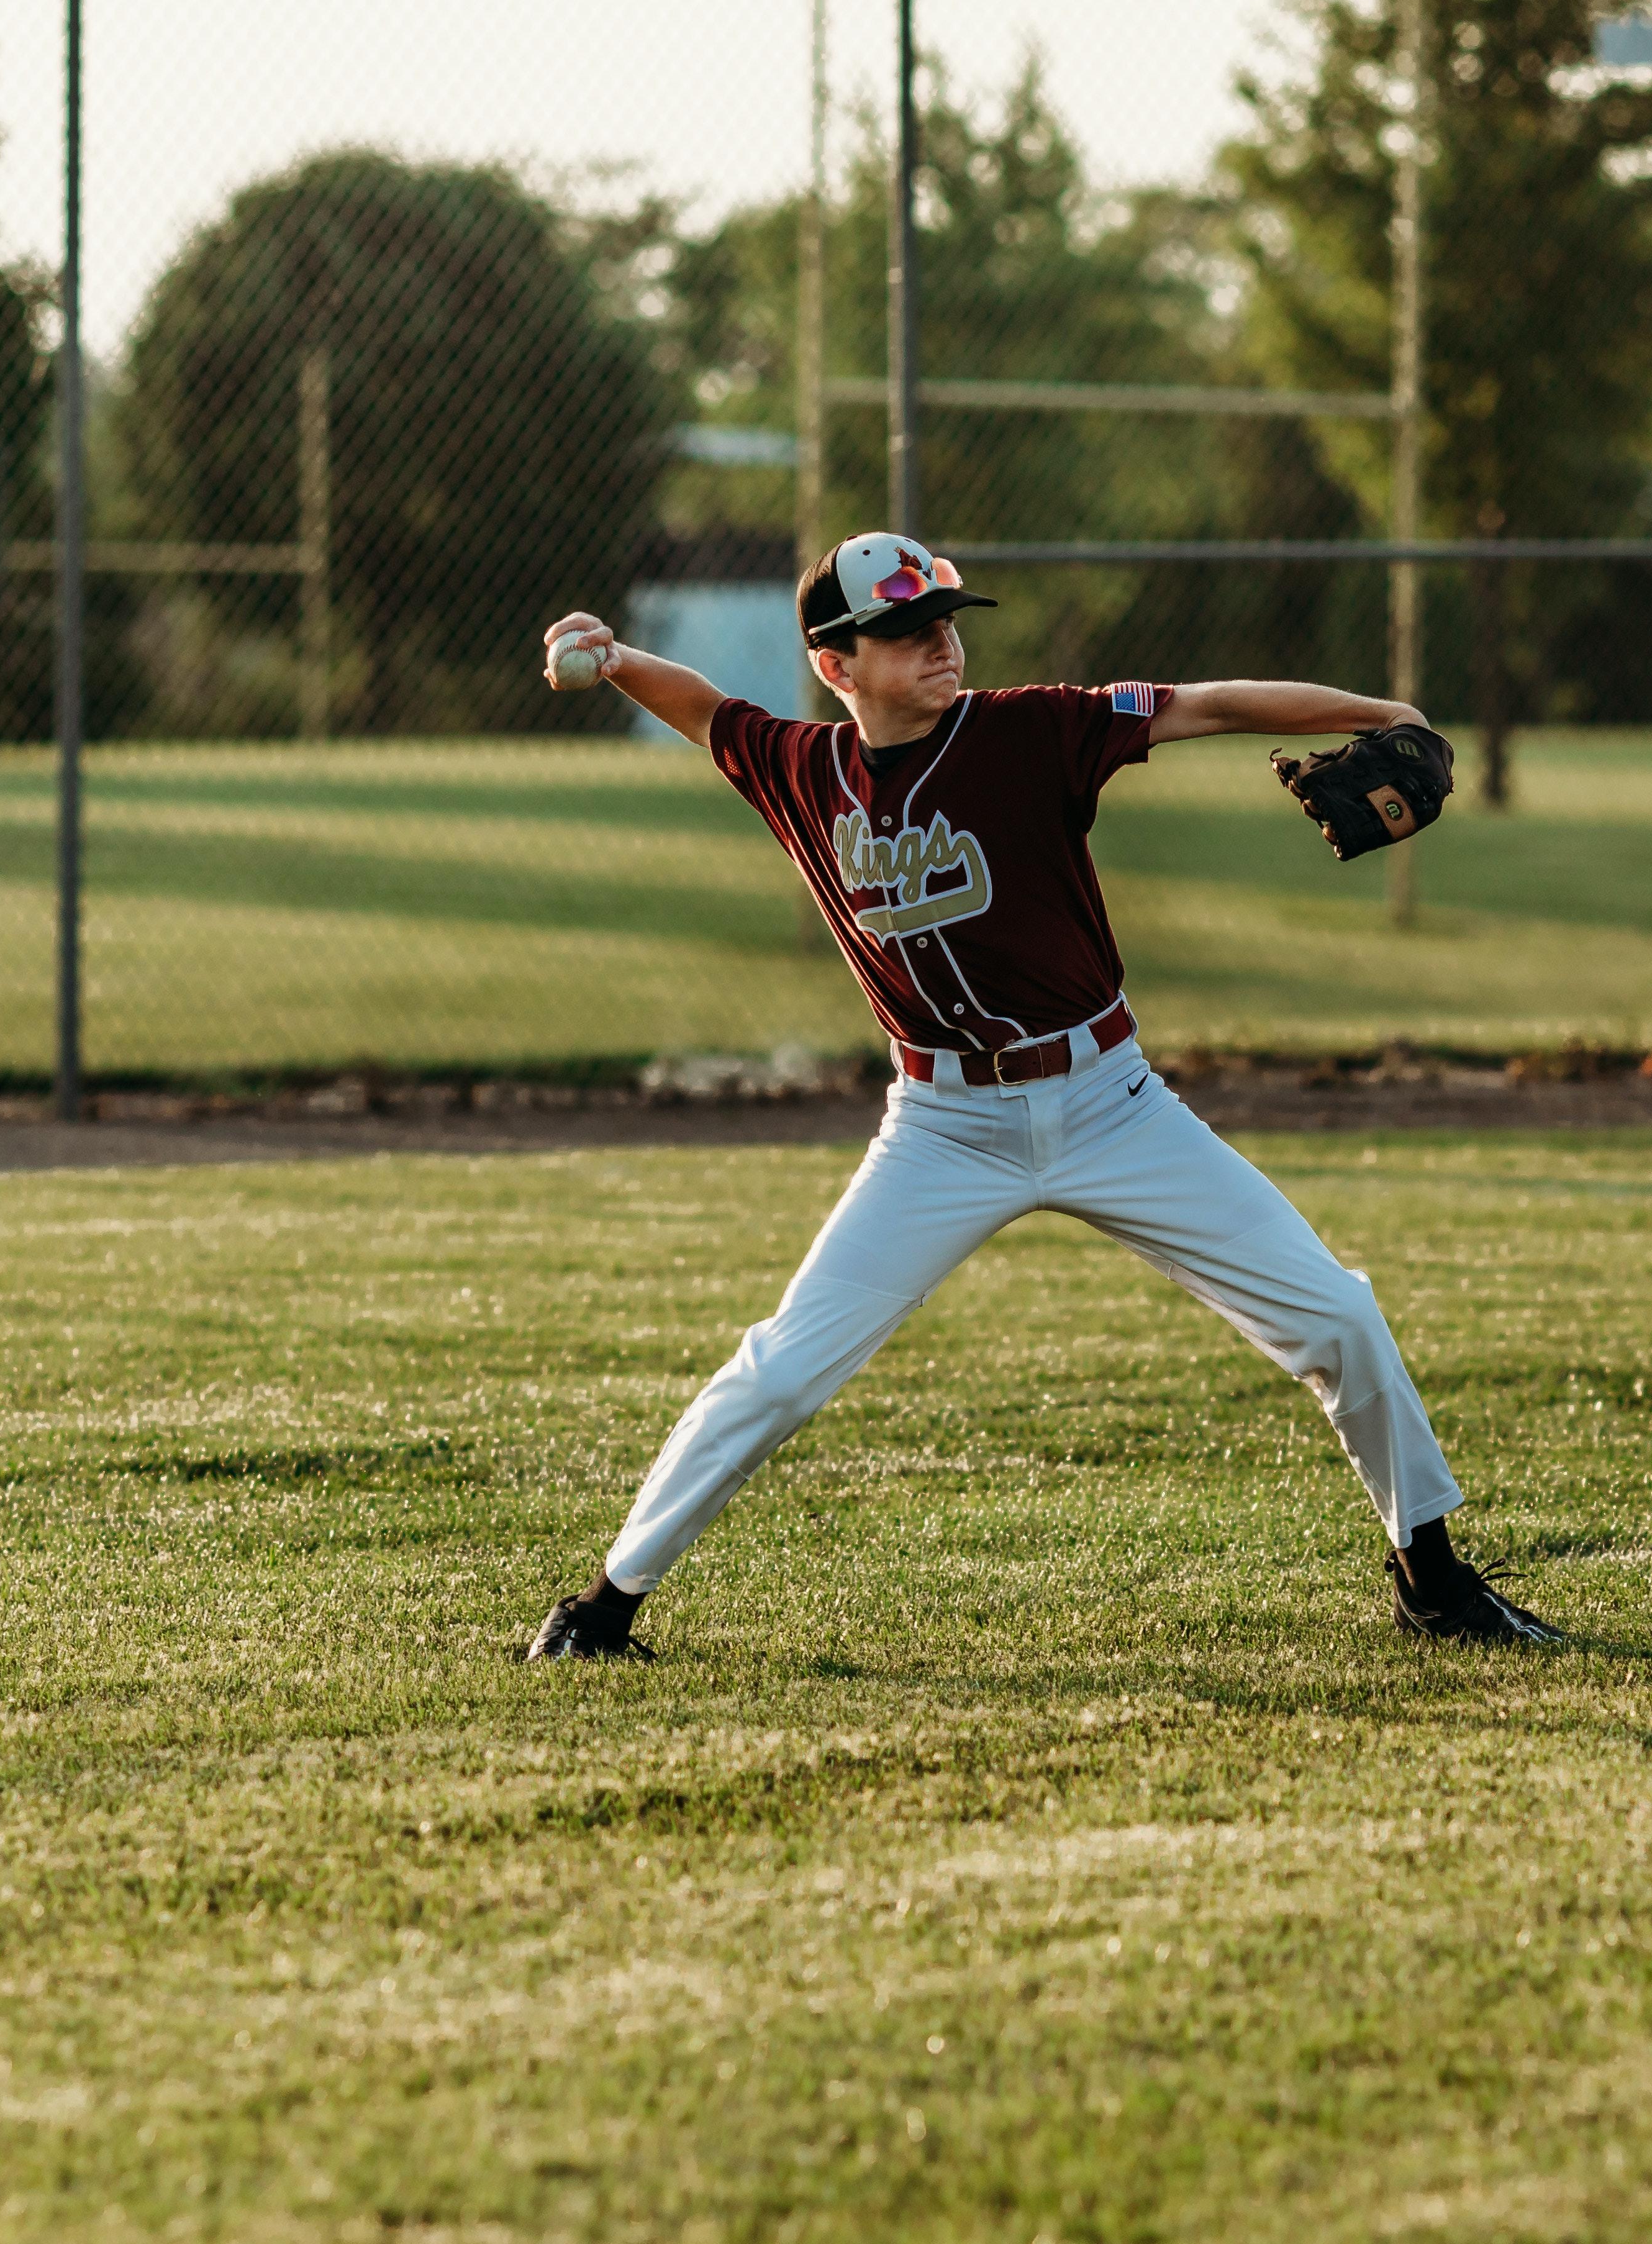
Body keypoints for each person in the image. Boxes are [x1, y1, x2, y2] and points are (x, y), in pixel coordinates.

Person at [520, 529, 1560, 1660]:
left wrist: (1386, 709)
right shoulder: (797, 767)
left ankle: (1435, 1580)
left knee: (1338, 1316)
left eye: (947, 623)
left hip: (1112, 1102)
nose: (939, 645)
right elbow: (703, 707)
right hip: (940, 1130)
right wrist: (616, 657)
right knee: (781, 1369)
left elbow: (1209, 704)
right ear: (837, 665)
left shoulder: (1033, 730)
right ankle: (602, 1610)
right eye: (902, 633)